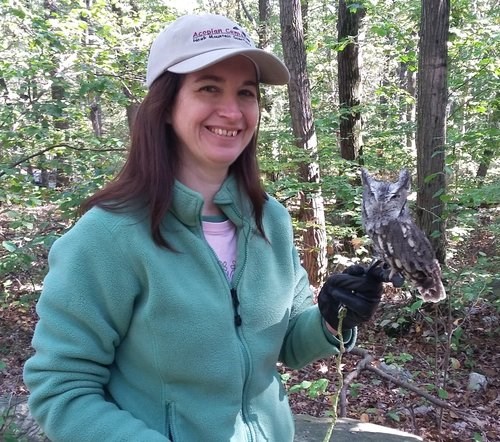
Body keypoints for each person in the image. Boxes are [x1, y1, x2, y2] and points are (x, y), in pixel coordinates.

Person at [23, 13, 390, 442]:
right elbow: (60, 389)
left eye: (246, 93)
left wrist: (331, 319)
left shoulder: (269, 218)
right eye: (208, 88)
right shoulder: (109, 234)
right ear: (165, 106)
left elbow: (289, 343)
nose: (232, 111)